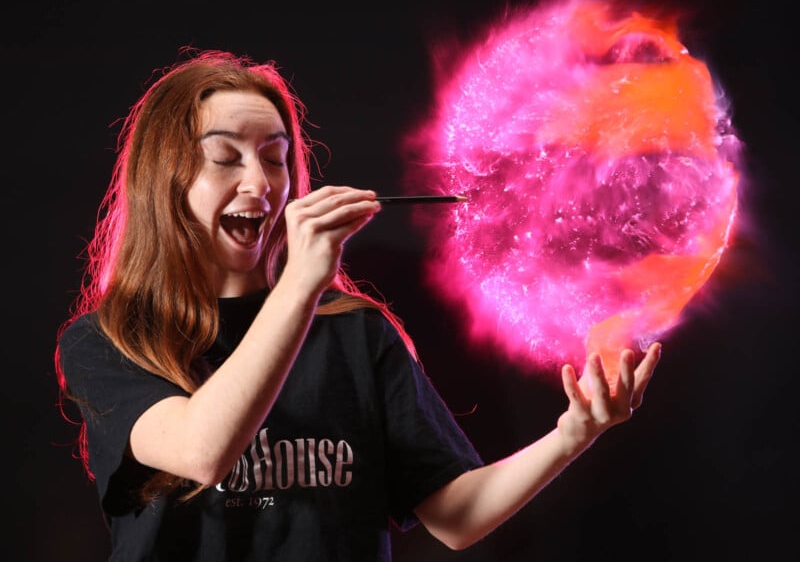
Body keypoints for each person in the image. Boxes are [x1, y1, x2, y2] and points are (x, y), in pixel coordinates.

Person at [55, 48, 661, 561]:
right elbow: (202, 451)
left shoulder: (358, 335)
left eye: (275, 157)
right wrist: (300, 285)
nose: (260, 183)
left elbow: (456, 516)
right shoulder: (111, 341)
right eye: (225, 158)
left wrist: (574, 432)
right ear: (164, 181)